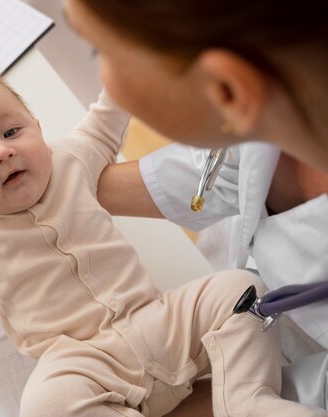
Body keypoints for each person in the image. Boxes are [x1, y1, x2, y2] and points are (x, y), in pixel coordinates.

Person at [0, 70, 327, 417]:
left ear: (40, 134)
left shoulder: (72, 159)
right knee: (43, 405)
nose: (1, 151)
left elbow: (107, 118)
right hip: (83, 362)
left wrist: (123, 79)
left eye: (11, 131)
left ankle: (247, 401)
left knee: (240, 289)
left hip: (158, 323)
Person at [61, 0, 328, 414]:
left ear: (226, 89)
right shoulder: (287, 89)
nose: (103, 80)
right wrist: (51, 192)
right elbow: (226, 164)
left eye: (102, 53)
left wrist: (212, 398)